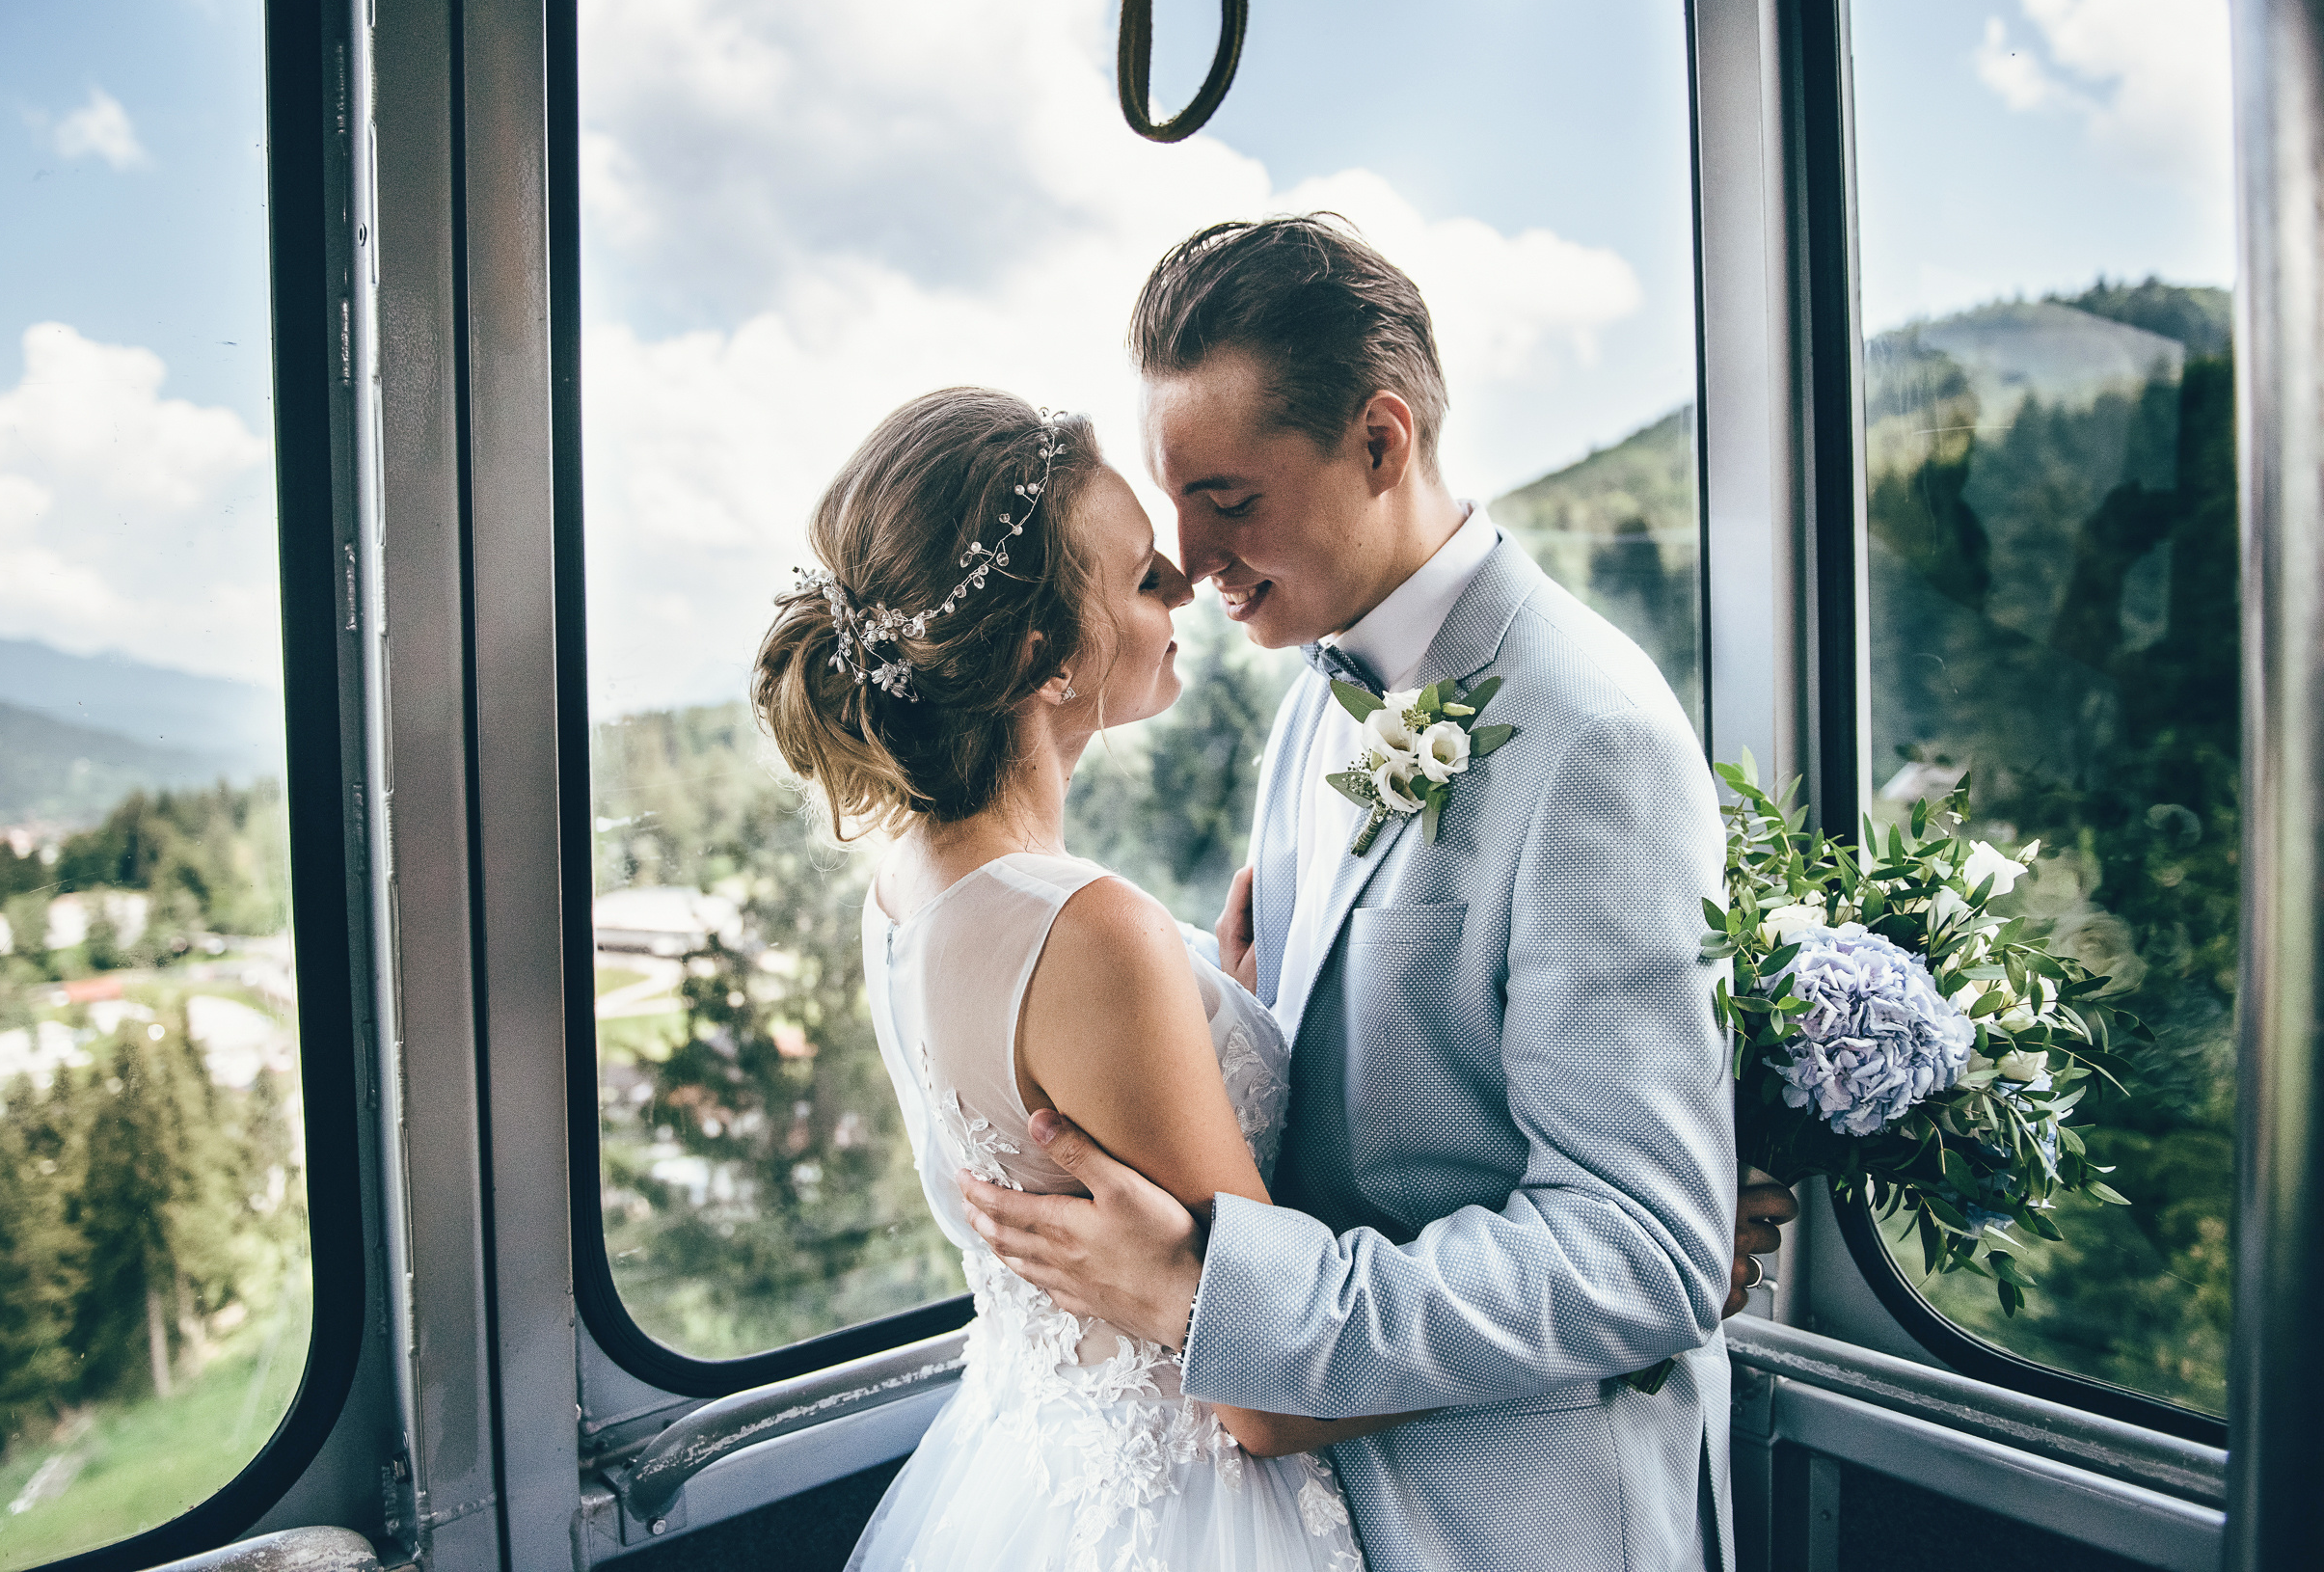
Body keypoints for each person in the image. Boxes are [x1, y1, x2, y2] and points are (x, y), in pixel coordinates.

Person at [959, 216, 1786, 1571]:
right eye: (1178, 506)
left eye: (1229, 498)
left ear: (1382, 443)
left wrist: (1204, 1295)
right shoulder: (1313, 701)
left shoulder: (1598, 737)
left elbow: (1644, 1250)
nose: (1194, 558)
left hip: (1517, 1523)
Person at [754, 386, 1391, 1571]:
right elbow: (1268, 1391)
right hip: (1186, 1511)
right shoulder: (1091, 932)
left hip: (1028, 1472)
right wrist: (1613, 1315)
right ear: (1045, 655)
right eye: (1148, 577)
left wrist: (1223, 1007)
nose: (1190, 587)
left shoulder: (906, 886)